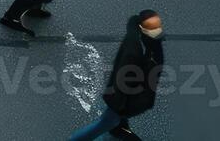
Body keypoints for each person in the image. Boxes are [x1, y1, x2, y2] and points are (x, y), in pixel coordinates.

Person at [69, 11, 163, 141]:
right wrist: (121, 107)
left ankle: (117, 130)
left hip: (123, 101)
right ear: (143, 29)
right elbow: (125, 83)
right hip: (120, 103)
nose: (157, 30)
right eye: (152, 27)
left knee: (109, 123)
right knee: (104, 124)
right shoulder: (134, 52)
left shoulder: (139, 41)